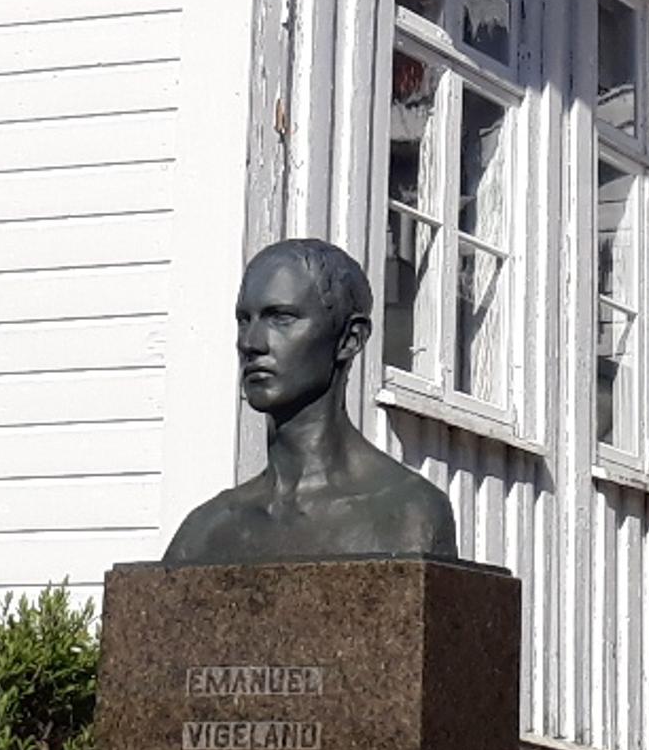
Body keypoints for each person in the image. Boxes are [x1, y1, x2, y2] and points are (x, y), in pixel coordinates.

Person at [161, 238, 460, 564]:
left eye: (281, 318)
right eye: (244, 320)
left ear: (350, 339)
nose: (251, 343)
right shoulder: (203, 535)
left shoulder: (409, 514)